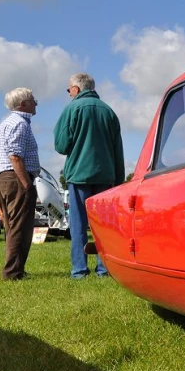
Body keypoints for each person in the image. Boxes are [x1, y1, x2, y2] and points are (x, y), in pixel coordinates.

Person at [54, 73, 124, 279]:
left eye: (68, 90)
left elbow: (61, 145)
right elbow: (117, 150)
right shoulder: (109, 111)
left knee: (78, 224)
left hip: (79, 174)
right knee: (103, 226)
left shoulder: (71, 109)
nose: (69, 94)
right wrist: (118, 180)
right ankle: (104, 269)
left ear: (76, 89)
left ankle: (79, 270)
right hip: (106, 176)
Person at [0, 88, 40, 281]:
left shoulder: (8, 122)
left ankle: (15, 269)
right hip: (16, 179)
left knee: (12, 227)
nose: (36, 103)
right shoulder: (19, 123)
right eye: (32, 100)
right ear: (23, 104)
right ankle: (13, 273)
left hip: (4, 178)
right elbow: (15, 155)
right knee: (20, 227)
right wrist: (27, 184)